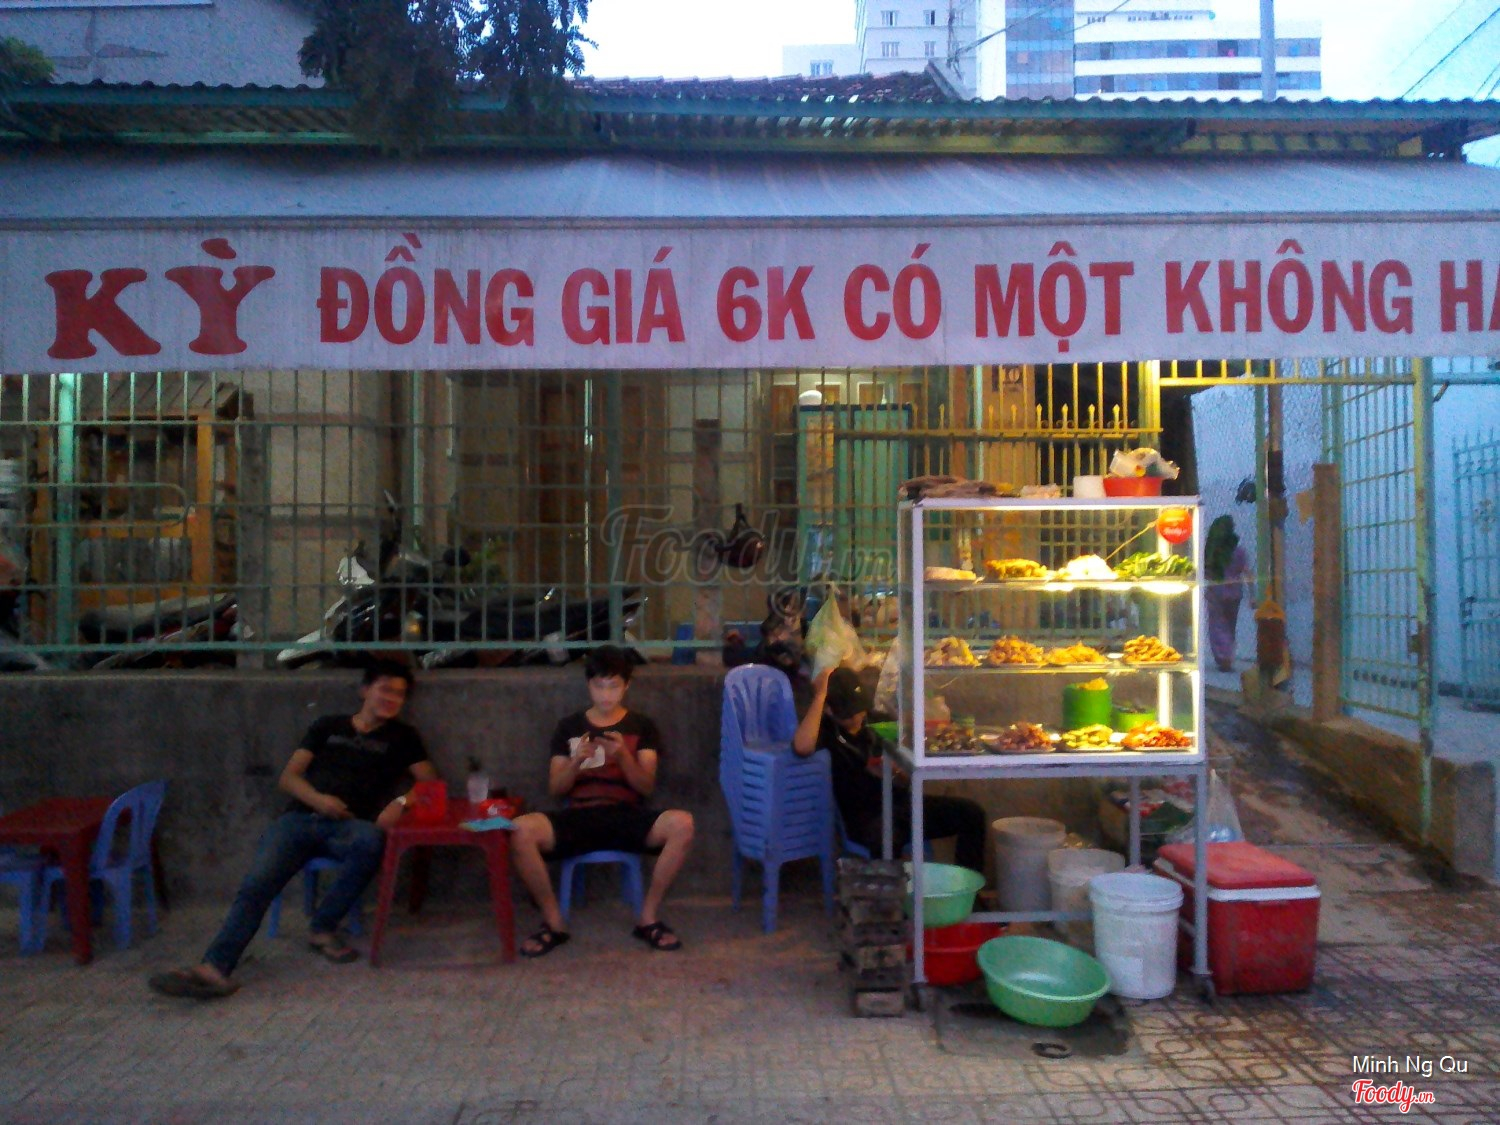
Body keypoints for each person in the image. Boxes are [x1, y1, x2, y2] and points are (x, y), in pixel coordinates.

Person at [148, 661, 435, 1000]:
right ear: (364, 690)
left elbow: (430, 782)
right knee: (257, 884)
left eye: (399, 694)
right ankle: (215, 968)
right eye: (385, 689)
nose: (391, 699)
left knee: (373, 841)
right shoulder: (328, 726)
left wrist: (400, 802)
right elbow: (289, 778)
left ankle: (322, 927)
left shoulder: (403, 737)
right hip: (299, 820)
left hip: (350, 826)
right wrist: (319, 800)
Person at [509, 645, 695, 957]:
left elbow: (646, 786)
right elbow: (556, 788)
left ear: (626, 686)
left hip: (625, 815)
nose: (606, 695)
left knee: (683, 823)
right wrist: (575, 762)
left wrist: (623, 756)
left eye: (613, 686)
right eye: (599, 686)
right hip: (580, 815)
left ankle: (648, 917)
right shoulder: (570, 727)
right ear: (588, 685)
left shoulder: (642, 726)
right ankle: (554, 922)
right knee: (519, 830)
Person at [793, 666, 987, 872]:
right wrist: (820, 696)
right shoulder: (827, 731)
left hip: (900, 804)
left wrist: (894, 773)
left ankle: (969, 887)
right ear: (830, 710)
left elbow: (906, 777)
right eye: (849, 713)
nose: (858, 717)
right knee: (886, 839)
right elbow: (802, 746)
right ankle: (893, 889)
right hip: (864, 818)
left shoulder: (878, 722)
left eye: (860, 708)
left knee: (972, 814)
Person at [1204, 514, 1252, 673]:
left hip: (1216, 592)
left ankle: (1223, 656)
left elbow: (1206, 572)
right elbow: (1247, 572)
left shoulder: (1212, 551)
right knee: (1231, 625)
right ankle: (1229, 655)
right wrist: (1253, 595)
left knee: (1218, 625)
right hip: (1235, 593)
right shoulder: (1239, 551)